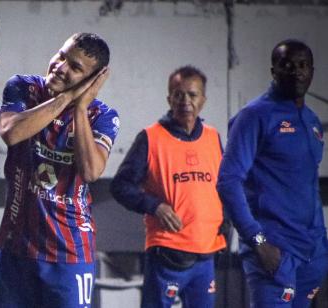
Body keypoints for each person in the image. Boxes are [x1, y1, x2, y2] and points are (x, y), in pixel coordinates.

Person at [0, 32, 119, 308]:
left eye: (75, 68)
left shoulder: (103, 116)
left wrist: (80, 107)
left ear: (92, 81)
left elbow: (90, 171)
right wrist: (66, 98)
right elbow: (12, 133)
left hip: (69, 253)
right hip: (17, 246)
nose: (60, 67)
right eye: (61, 56)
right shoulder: (23, 88)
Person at [217, 39, 328, 307]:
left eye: (303, 65)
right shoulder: (254, 116)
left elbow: (307, 185)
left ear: (312, 70)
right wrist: (258, 242)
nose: (296, 71)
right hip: (275, 254)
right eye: (287, 65)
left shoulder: (312, 121)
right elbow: (228, 182)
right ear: (273, 70)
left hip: (312, 255)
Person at [110, 66, 227, 308]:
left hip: (206, 254)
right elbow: (120, 185)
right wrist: (155, 207)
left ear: (203, 99)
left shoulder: (213, 137)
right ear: (169, 99)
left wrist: (225, 227)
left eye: (192, 95)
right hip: (167, 253)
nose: (185, 101)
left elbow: (225, 187)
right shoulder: (151, 137)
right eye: (178, 94)